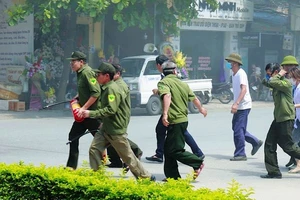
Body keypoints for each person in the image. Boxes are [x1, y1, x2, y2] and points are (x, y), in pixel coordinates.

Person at [81, 62, 155, 181]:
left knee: (127, 156)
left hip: (115, 128)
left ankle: (146, 177)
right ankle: (97, 177)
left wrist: (90, 113)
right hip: (106, 127)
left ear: (107, 76)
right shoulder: (108, 87)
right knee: (94, 149)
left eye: (99, 74)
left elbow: (111, 109)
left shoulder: (113, 89)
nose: (96, 76)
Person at [146, 55, 205, 163]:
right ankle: (160, 153)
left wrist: (164, 114)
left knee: (179, 137)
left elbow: (168, 94)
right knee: (163, 130)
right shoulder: (172, 76)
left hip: (172, 111)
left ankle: (196, 156)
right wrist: (201, 108)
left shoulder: (165, 78)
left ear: (159, 65)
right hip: (176, 111)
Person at [157, 61, 206, 180]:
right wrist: (201, 109)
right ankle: (172, 177)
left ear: (164, 72)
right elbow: (194, 99)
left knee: (175, 150)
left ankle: (197, 162)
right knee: (168, 150)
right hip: (182, 120)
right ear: (175, 71)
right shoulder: (183, 84)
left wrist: (164, 114)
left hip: (175, 121)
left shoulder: (163, 82)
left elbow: (167, 96)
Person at [260, 61, 300, 179]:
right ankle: (273, 172)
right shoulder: (277, 83)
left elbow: (273, 81)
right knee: (269, 144)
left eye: (269, 73)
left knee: (288, 146)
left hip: (286, 119)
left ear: (276, 73)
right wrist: (266, 76)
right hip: (278, 118)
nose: (268, 76)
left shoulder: (285, 83)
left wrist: (279, 73)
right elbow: (267, 82)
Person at [65, 51, 101, 170]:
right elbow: (85, 89)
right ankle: (71, 166)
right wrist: (77, 96)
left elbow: (96, 92)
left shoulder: (87, 73)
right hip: (83, 114)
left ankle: (132, 152)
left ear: (81, 62)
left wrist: (84, 108)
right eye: (71, 61)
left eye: (73, 61)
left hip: (91, 113)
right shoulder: (80, 73)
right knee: (73, 136)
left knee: (107, 138)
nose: (71, 63)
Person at [225, 53, 263, 161]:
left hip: (243, 105)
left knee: (238, 130)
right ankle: (255, 142)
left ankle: (240, 153)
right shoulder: (234, 74)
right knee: (237, 128)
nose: (229, 65)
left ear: (236, 63)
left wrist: (236, 103)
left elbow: (244, 90)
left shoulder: (241, 73)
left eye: (231, 62)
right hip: (239, 105)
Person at [106, 63, 143, 170]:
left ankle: (135, 151)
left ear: (118, 73)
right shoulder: (112, 84)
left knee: (116, 137)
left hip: (118, 116)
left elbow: (115, 103)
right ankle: (115, 160)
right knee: (109, 136)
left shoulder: (119, 85)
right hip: (112, 116)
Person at [288, 66, 300, 173]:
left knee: (294, 142)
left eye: (292, 77)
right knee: (294, 142)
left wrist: (294, 106)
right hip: (298, 119)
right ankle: (298, 164)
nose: (291, 79)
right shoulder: (295, 87)